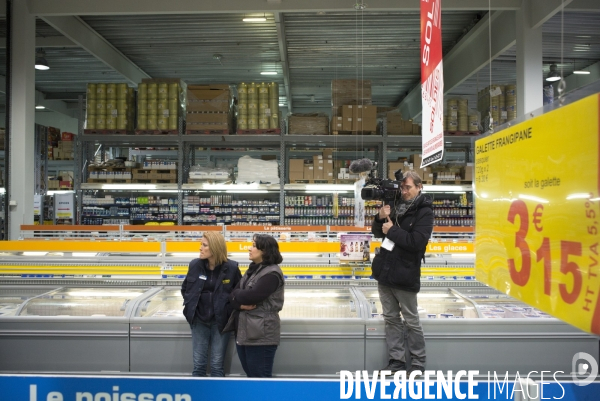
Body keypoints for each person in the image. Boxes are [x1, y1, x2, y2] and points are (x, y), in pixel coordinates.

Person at [370, 170, 434, 375]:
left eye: (408, 187)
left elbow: (417, 242)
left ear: (419, 187)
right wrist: (379, 219)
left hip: (406, 273)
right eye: (402, 187)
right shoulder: (395, 204)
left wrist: (393, 231)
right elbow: (379, 232)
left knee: (411, 320)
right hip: (385, 271)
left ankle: (417, 363)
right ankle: (396, 362)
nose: (404, 191)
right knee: (390, 318)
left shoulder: (425, 211)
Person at [223, 234, 285, 377]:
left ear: (265, 251)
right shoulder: (253, 270)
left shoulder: (272, 273)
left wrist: (237, 294)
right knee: (252, 378)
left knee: (260, 378)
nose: (249, 249)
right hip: (246, 333)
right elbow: (232, 296)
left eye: (254, 246)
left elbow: (253, 296)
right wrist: (239, 304)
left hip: (261, 335)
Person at [181, 231, 241, 377]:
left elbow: (239, 293)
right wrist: (191, 307)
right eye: (201, 244)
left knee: (216, 365)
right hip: (199, 320)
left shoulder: (231, 268)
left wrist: (228, 309)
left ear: (215, 248)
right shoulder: (195, 265)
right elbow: (185, 289)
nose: (200, 248)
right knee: (199, 365)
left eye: (204, 245)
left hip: (221, 322)